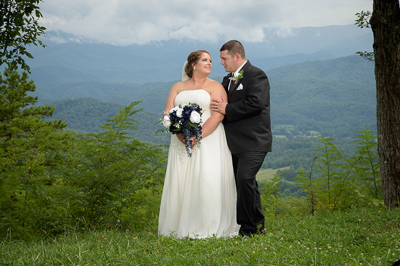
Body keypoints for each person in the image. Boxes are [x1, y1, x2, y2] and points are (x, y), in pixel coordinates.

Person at [158, 50, 239, 238]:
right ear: (193, 64)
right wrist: (179, 132)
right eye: (205, 60)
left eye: (210, 60)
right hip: (180, 141)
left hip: (208, 140)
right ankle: (176, 227)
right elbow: (168, 112)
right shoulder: (177, 87)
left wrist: (197, 136)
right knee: (181, 180)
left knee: (206, 180)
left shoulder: (216, 87)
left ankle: (207, 227)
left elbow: (219, 115)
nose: (210, 63)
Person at [211, 40, 272, 237]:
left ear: (237, 56)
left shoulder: (257, 75)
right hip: (233, 142)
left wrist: (227, 109)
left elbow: (256, 103)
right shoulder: (227, 79)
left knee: (245, 179)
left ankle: (247, 230)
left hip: (254, 140)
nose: (221, 62)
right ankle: (257, 225)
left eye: (224, 58)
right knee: (247, 183)